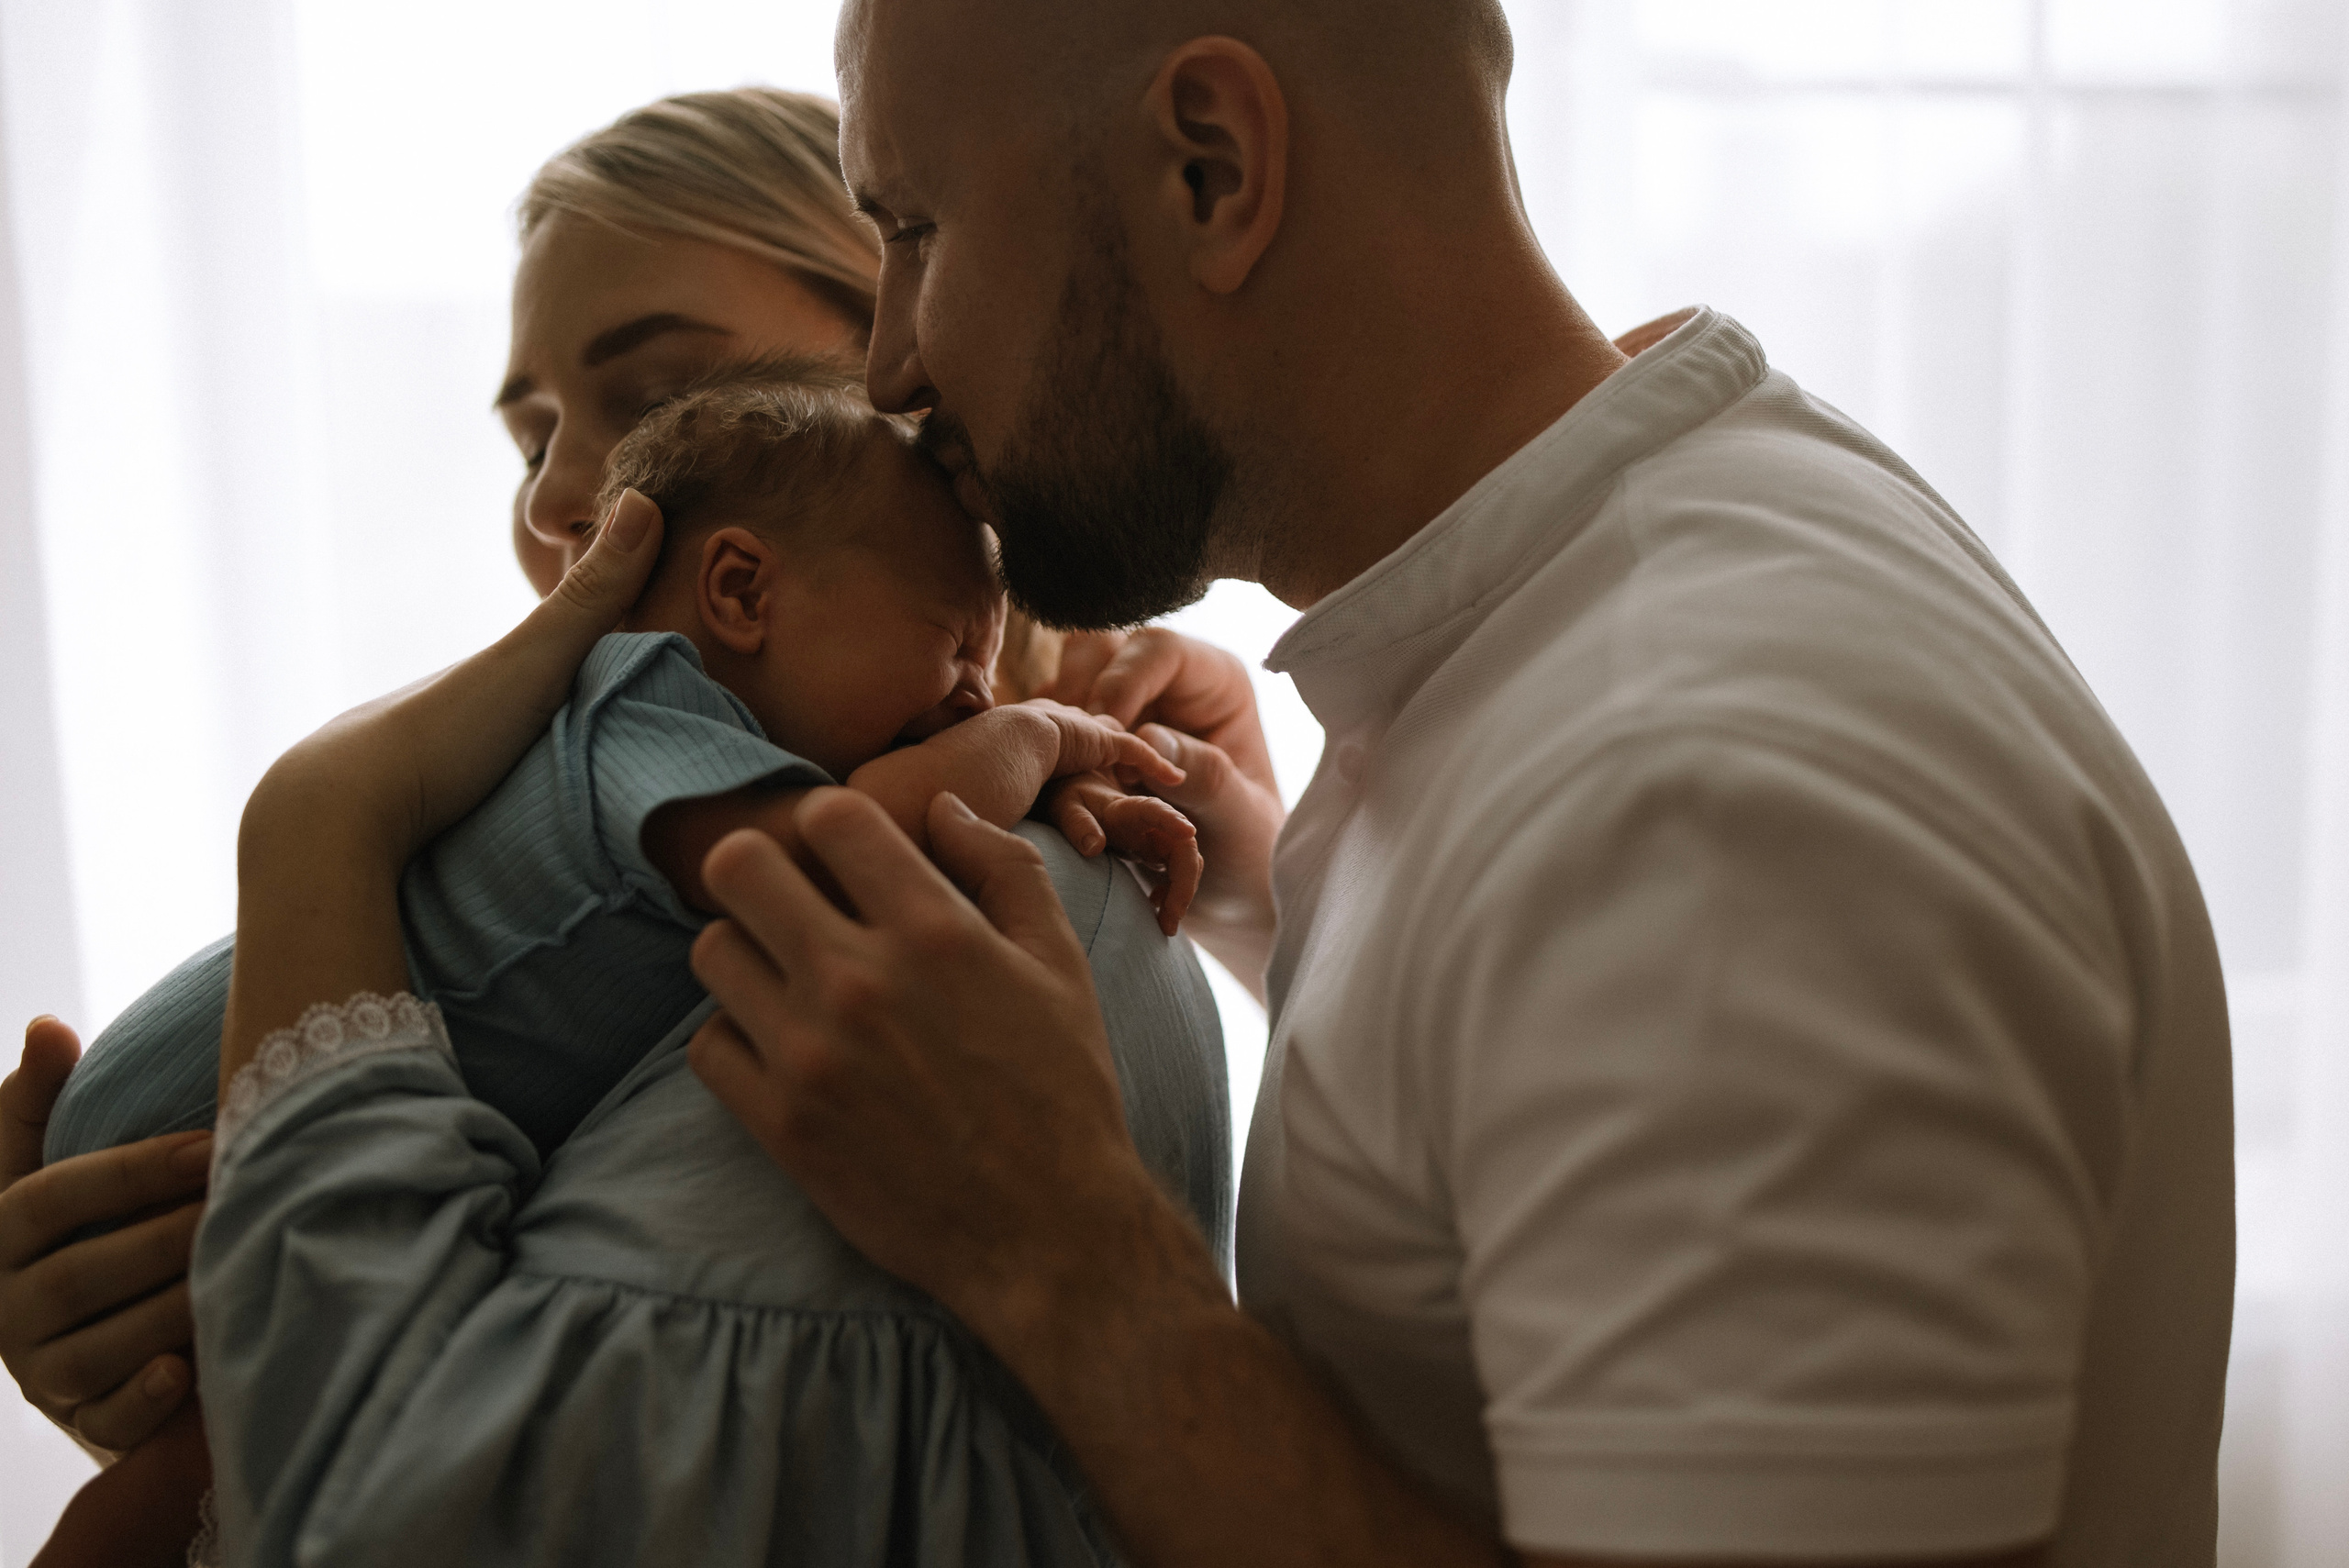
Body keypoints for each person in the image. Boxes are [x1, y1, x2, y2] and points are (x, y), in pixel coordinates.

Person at [644, 4, 2231, 1567]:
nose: (892, 367)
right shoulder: (1671, 556)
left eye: (917, 227)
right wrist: (1283, 889)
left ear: (1212, 168)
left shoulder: (1702, 804)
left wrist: (1063, 1253)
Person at [0, 87, 1232, 1561]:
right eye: (530, 437)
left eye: (655, 400)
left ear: (919, 371)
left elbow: (396, 1507)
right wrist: (167, 1373)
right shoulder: (641, 758)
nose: (560, 498)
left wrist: (319, 824)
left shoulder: (992, 920)